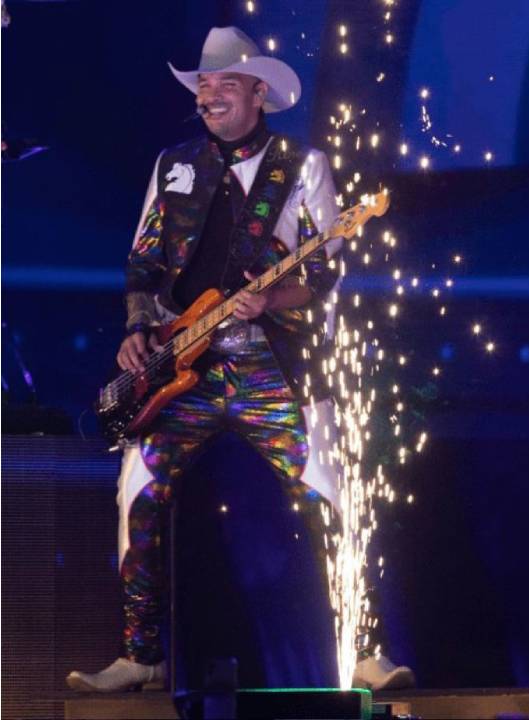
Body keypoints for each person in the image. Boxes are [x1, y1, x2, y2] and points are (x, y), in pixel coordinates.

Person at [67, 27, 412, 693]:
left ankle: (366, 650)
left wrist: (274, 297)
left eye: (225, 82)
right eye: (203, 83)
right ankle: (141, 655)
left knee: (330, 495)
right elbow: (142, 266)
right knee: (138, 491)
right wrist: (139, 329)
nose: (209, 93)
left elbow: (326, 273)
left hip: (268, 365)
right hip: (179, 369)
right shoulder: (174, 165)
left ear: (259, 92)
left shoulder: (301, 167)